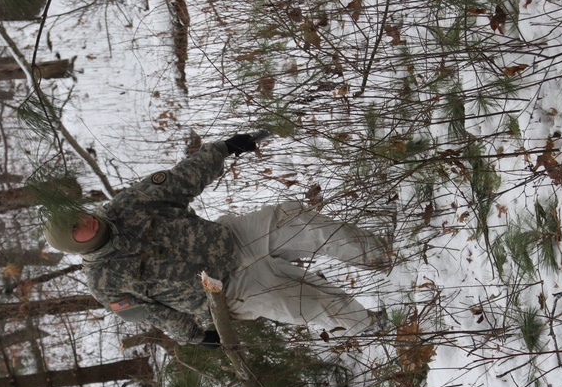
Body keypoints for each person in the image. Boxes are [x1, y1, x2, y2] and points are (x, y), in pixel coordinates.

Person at [42, 133, 393, 347]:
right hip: (227, 291)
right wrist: (195, 337)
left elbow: (181, 180)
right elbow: (155, 314)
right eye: (75, 228)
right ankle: (373, 324)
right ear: (75, 245)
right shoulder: (104, 283)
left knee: (296, 220)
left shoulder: (126, 206)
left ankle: (383, 255)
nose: (84, 220)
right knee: (305, 302)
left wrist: (223, 149)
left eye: (77, 213)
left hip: (232, 239)